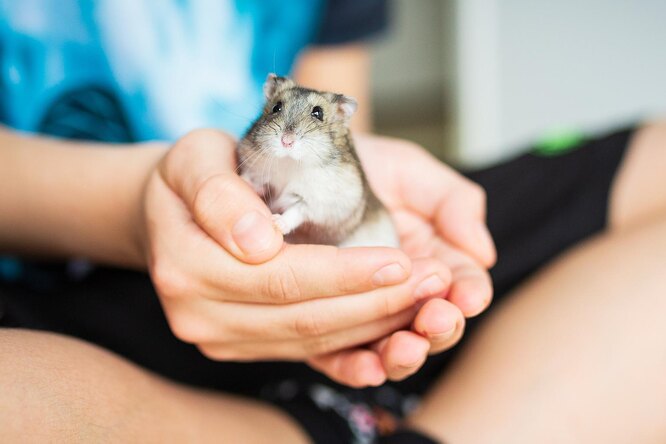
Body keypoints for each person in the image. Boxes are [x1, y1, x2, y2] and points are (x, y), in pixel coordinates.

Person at [1, 1, 665, 443]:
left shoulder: (329, 135)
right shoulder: (261, 142)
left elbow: (346, 147)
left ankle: (356, 414)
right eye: (279, 122)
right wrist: (137, 204)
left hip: (325, 250)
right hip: (62, 287)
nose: (288, 134)